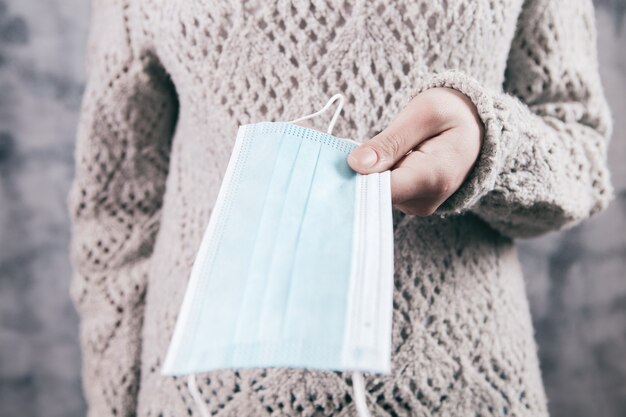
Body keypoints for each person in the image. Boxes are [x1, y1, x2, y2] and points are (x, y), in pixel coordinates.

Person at [68, 0, 613, 416]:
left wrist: (486, 142)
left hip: (462, 389)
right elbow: (117, 212)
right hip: (205, 398)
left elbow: (582, 154)